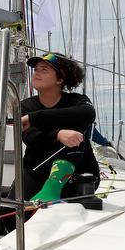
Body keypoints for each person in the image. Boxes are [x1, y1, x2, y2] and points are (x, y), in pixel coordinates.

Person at [20, 53, 100, 202]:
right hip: (37, 172)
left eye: (44, 69)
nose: (37, 73)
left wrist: (35, 118)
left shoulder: (77, 101)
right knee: (7, 217)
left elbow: (88, 113)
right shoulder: (25, 106)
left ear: (60, 79)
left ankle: (53, 188)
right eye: (36, 69)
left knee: (74, 134)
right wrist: (57, 134)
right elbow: (31, 137)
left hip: (77, 174)